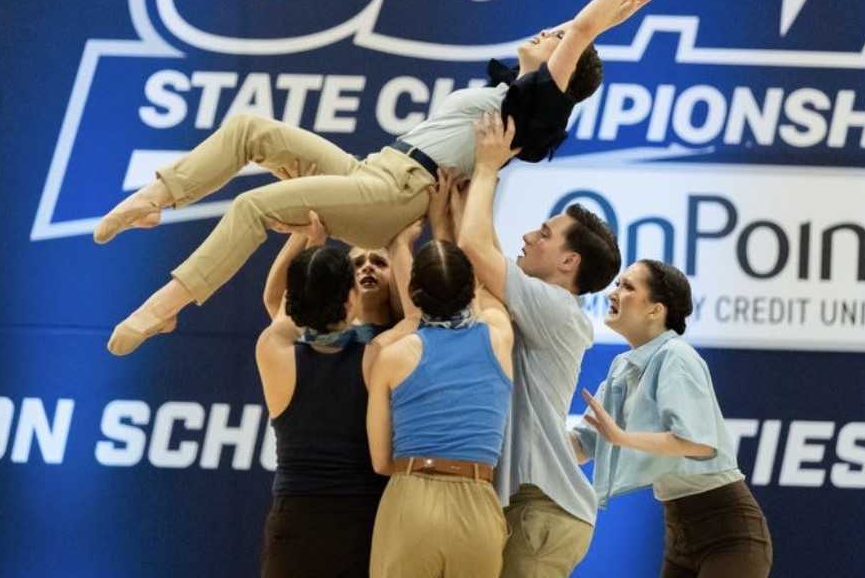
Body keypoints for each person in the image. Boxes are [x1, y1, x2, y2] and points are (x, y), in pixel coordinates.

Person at [94, 0, 666, 356]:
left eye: (558, 40)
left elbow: (581, 33)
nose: (549, 32)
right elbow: (581, 30)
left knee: (252, 206)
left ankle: (161, 309)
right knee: (250, 130)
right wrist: (624, 9)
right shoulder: (511, 90)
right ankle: (155, 197)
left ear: (563, 76)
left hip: (398, 193)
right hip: (377, 169)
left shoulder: (533, 109)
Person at [457, 111, 623, 578]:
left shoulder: (552, 306)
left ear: (568, 261)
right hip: (533, 503)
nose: (529, 236)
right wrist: (460, 199)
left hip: (542, 507)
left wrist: (489, 168)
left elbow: (474, 247)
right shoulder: (546, 303)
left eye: (544, 234)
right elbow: (479, 253)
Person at [572, 260, 773, 578]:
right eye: (617, 284)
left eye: (627, 286)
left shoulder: (676, 356)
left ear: (655, 310)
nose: (614, 292)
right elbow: (583, 444)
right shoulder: (622, 367)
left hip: (729, 534)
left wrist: (622, 437)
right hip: (679, 532)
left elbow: (696, 443)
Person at [254, 215, 421, 578]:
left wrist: (310, 237)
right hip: (360, 520)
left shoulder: (272, 350)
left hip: (294, 520)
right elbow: (416, 319)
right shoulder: (376, 354)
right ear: (351, 301)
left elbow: (285, 304)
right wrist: (400, 242)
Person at [365, 240, 514, 578]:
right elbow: (494, 277)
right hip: (478, 501)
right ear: (471, 286)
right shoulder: (499, 336)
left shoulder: (391, 357)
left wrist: (399, 240)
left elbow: (381, 461)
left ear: (414, 292)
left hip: (411, 496)